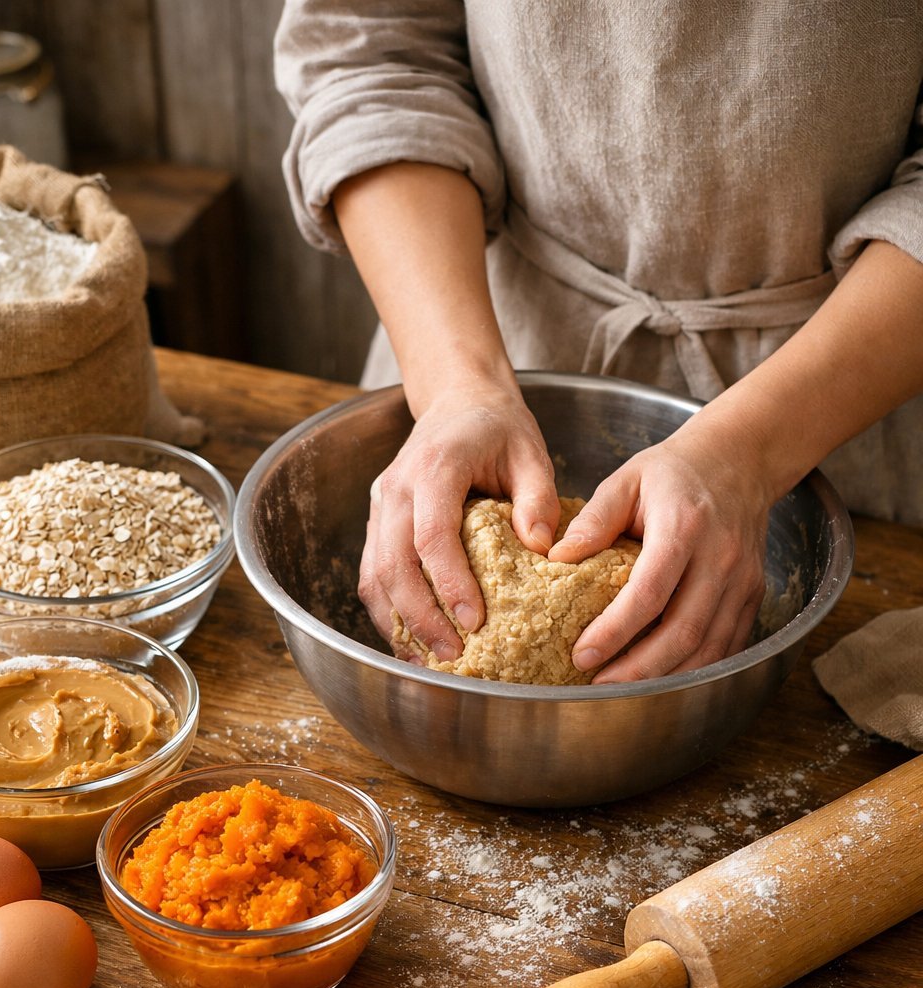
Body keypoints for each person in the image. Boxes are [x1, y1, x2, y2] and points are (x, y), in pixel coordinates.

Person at [274, 3, 923, 681]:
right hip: (473, 319)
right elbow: (371, 56)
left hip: (857, 381)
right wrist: (456, 387)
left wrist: (749, 454)